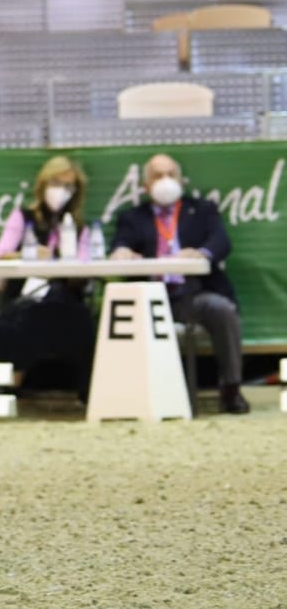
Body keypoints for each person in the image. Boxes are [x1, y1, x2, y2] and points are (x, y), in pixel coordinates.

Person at [108, 152, 249, 414]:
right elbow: (120, 244)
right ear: (145, 185)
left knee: (222, 309)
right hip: (152, 296)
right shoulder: (132, 217)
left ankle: (231, 388)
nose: (165, 181)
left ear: (181, 180)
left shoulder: (203, 210)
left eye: (171, 175)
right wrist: (122, 251)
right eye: (158, 176)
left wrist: (200, 253)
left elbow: (221, 242)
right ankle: (129, 393)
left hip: (196, 293)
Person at [0, 155, 98, 401]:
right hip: (24, 296)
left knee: (81, 319)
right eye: (57, 183)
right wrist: (27, 253)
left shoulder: (79, 227)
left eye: (69, 186)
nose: (62, 191)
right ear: (43, 184)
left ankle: (87, 392)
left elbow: (84, 265)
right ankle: (8, 390)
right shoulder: (23, 217)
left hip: (63, 297)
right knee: (16, 318)